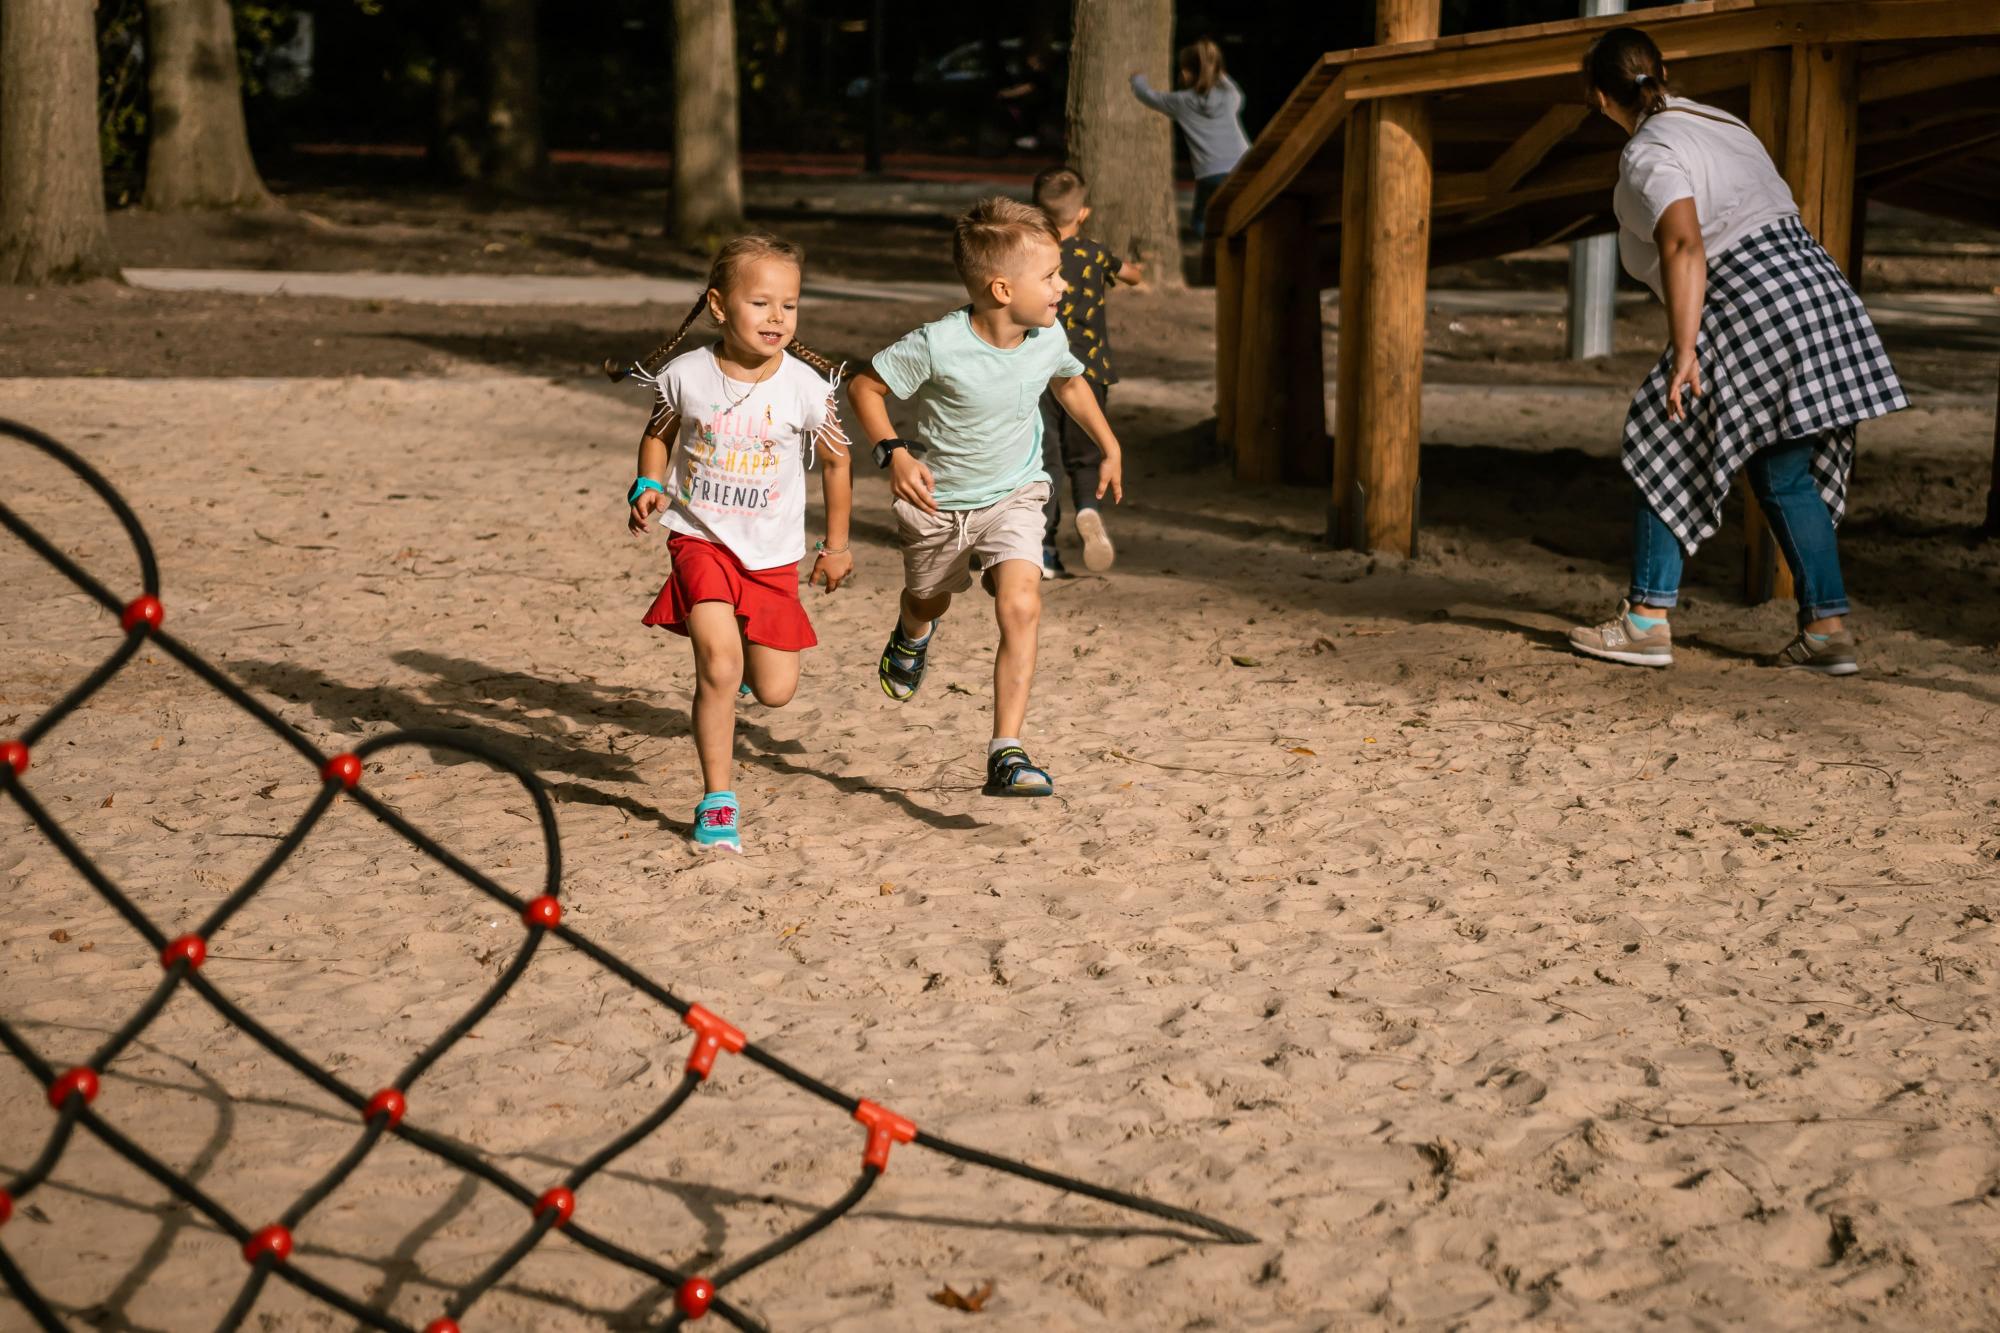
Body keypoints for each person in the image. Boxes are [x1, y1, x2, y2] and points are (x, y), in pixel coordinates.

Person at [1565, 27, 1905, 675]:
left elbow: (1686, 244)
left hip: (1751, 298)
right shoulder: (1720, 121)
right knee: (1783, 470)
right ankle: (1827, 630)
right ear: (1661, 72)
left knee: (1663, 432)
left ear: (1600, 98)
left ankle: (1645, 621)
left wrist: (1686, 348)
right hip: (1816, 287)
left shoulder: (1650, 153)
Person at [847, 197, 1126, 798]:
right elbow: (866, 386)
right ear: (1002, 289)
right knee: (929, 601)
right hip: (938, 503)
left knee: (1022, 605)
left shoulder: (1049, 337)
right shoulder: (937, 343)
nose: (1063, 285)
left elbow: (1070, 380)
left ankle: (1007, 751)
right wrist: (893, 452)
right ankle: (911, 632)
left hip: (1017, 493)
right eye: (1050, 276)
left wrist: (1108, 442)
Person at [626, 234, 854, 851]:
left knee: (776, 691)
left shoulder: (809, 388)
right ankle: (718, 799)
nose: (778, 317)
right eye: (761, 303)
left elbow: (836, 465)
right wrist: (648, 481)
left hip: (773, 554)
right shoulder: (684, 375)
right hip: (699, 540)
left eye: (790, 305)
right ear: (720, 306)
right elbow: (658, 436)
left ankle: (750, 672)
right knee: (719, 667)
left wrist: (836, 545)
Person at [1031, 165, 1144, 578]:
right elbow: (1131, 275)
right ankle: (1089, 510)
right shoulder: (1095, 253)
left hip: (1040, 370)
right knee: (1085, 454)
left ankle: (1044, 550)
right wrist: (1136, 268)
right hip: (1089, 369)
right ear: (1083, 213)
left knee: (1044, 460)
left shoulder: (1033, 259)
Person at [1129, 38, 1251, 239]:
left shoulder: (1181, 102)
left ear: (1186, 72)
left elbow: (1149, 96)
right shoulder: (1230, 95)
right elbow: (1240, 98)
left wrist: (1138, 80)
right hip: (1244, 165)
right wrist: (1218, 74)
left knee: (1200, 222)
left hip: (1211, 173)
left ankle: (1214, 256)